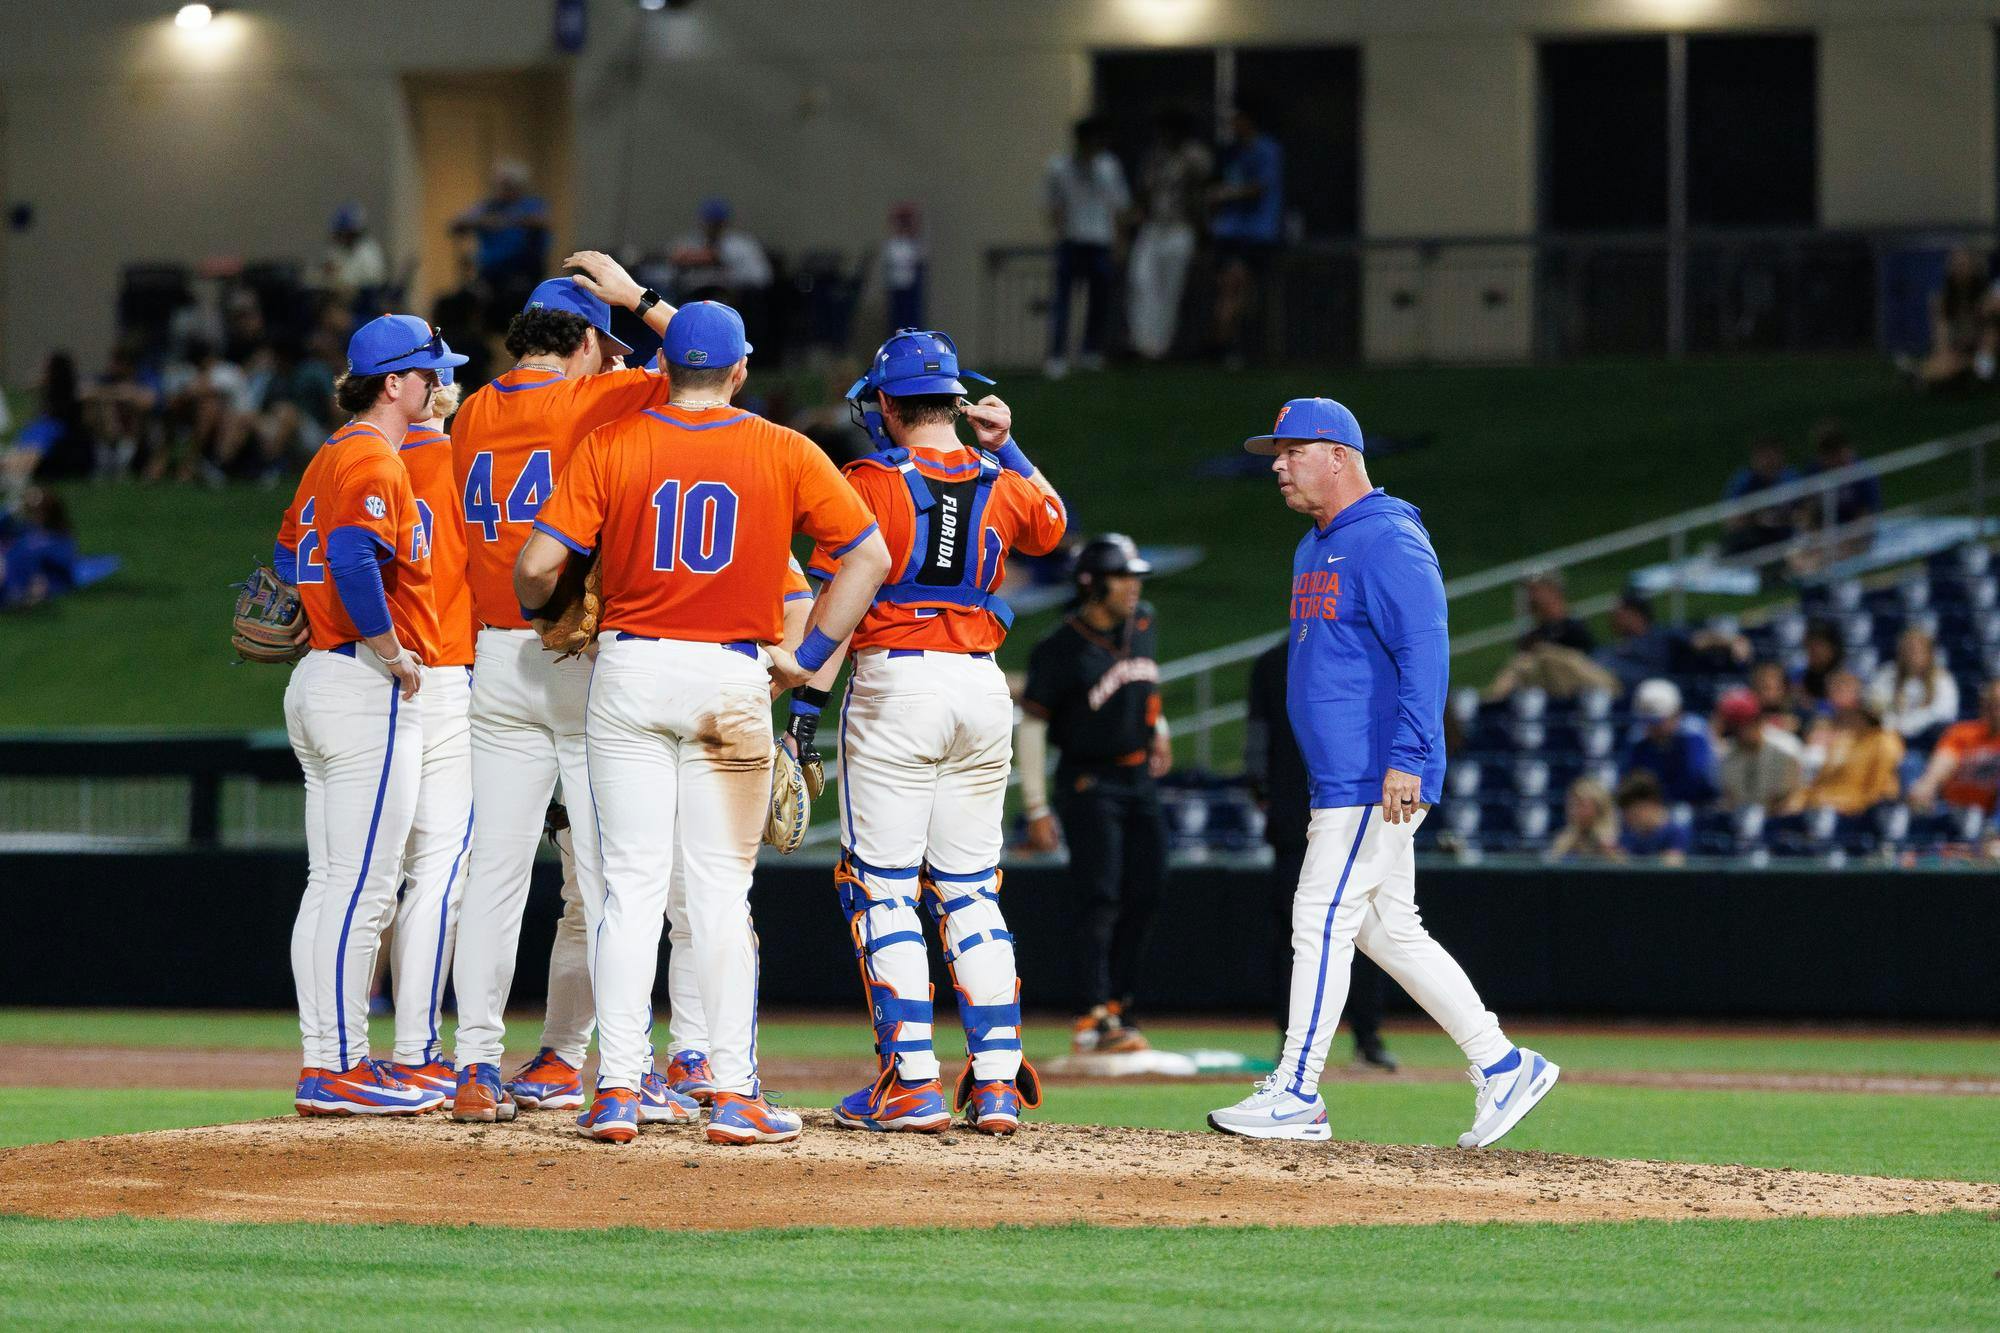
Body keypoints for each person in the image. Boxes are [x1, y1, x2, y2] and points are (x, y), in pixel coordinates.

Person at [517, 299, 890, 1145]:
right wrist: (811, 651)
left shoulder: (614, 443)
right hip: (729, 677)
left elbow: (537, 566)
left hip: (631, 670)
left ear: (666, 368)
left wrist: (549, 601)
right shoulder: (784, 448)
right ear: (739, 370)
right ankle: (730, 1094)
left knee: (630, 888)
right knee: (719, 895)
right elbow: (869, 555)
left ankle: (614, 1091)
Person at [1208, 397, 1558, 1148]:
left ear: (1337, 456)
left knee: (1318, 916)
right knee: (1388, 930)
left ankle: (1298, 1090)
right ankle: (1503, 1065)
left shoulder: (1389, 537)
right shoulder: (1316, 543)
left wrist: (1407, 755)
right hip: (1342, 774)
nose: (1276, 462)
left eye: (1291, 449)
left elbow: (1428, 652)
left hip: (1373, 773)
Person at [801, 328, 1066, 1136]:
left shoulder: (867, 479)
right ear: (957, 402)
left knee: (879, 886)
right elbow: (1051, 524)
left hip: (897, 682)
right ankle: (992, 1082)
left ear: (885, 403)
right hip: (982, 689)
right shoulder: (1001, 478)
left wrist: (804, 713)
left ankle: (911, 1081)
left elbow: (834, 600)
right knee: (970, 890)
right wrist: (1009, 446)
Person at [445, 253, 677, 1124]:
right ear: (583, 338)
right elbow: (705, 360)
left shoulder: (469, 413)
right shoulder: (595, 399)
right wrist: (638, 300)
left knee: (495, 875)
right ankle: (624, 1071)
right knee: (618, 875)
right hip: (579, 660)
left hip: (493, 660)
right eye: (601, 343)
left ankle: (474, 1067)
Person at [279, 314, 465, 1116]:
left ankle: (329, 1057)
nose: (438, 385)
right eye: (428, 373)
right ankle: (344, 1062)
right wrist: (390, 648)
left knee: (331, 884)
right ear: (395, 383)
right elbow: (353, 555)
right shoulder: (378, 457)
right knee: (365, 888)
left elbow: (292, 554)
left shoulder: (330, 454)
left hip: (318, 678)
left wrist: (322, 609)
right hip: (361, 684)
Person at [1019, 535, 1172, 1057]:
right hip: (1088, 782)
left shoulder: (1143, 621)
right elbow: (1034, 725)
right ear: (1092, 582)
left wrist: (1162, 727)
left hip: (1139, 780)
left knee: (1147, 890)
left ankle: (1122, 1006)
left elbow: (1144, 683)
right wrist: (1036, 805)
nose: (1134, 585)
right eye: (1122, 575)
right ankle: (1093, 1012)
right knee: (1100, 897)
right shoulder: (1060, 648)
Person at [370, 356, 475, 1103]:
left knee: (362, 879)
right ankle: (415, 1049)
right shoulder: (465, 462)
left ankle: (339, 1052)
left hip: (363, 671)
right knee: (440, 868)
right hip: (440, 675)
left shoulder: (355, 461)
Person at [1247, 639, 1398, 1067]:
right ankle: (1366, 1040)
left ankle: (1295, 1046)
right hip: (1350, 812)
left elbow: (1256, 748)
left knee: (1300, 936)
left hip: (1302, 816)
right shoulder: (1356, 653)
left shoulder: (1274, 660)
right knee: (1366, 929)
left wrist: (1262, 789)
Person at [1042, 116, 1130, 378]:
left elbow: (1119, 206)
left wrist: (1119, 241)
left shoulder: (1109, 167)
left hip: (1100, 241)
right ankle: (1057, 355)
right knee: (1063, 300)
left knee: (1098, 301)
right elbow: (1053, 206)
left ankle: (1090, 351)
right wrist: (1059, 234)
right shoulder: (1059, 166)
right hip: (1072, 241)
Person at [1126, 108, 1211, 361]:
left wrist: (1201, 232)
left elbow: (1200, 195)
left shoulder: (1195, 156)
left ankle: (1159, 347)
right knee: (1140, 281)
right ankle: (1143, 343)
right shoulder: (1155, 156)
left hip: (1180, 226)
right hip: (1154, 226)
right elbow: (1144, 191)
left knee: (1169, 289)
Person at [1207, 103, 1284, 367]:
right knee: (1229, 290)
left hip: (1255, 233)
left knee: (1239, 291)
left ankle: (1228, 346)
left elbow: (1259, 188)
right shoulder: (1232, 153)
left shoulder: (1266, 150)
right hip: (1230, 232)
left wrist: (1226, 193)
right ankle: (1224, 347)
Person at [1481, 571, 1617, 701]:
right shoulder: (1530, 636)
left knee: (1544, 656)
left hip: (1584, 690)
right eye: (1530, 591)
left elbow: (1586, 665)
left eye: (1536, 590)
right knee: (1521, 663)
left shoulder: (1574, 627)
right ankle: (1489, 706)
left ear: (1554, 591)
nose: (1531, 597)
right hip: (1543, 693)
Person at [1785, 670, 1903, 815]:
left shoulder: (1885, 741)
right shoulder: (1843, 740)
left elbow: (1876, 795)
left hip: (1854, 818)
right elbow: (1819, 783)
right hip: (1823, 806)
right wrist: (1801, 800)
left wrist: (1830, 801)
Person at [452, 160, 550, 307]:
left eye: (508, 185)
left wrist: (511, 221)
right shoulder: (489, 207)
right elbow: (458, 224)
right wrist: (485, 222)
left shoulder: (531, 205)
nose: (503, 190)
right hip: (489, 273)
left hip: (521, 272)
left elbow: (542, 222)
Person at [1622, 678, 1720, 805]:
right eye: (1648, 722)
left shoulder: (1694, 734)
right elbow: (1630, 781)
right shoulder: (1637, 740)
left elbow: (1701, 779)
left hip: (1698, 804)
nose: (1654, 727)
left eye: (1659, 721)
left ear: (1677, 713)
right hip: (1654, 807)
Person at [1909, 679, 2000, 814]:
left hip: (1992, 815)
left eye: (1998, 705)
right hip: (1953, 811)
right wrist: (1928, 784)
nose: (1993, 710)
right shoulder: (1962, 732)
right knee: (1911, 763)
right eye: (1989, 703)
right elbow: (1944, 761)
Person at [1714, 686, 1805, 812]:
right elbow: (1730, 799)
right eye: (1735, 726)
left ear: (1758, 720)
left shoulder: (1786, 747)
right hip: (1742, 820)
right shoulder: (1726, 755)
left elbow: (1796, 797)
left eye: (1745, 724)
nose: (1740, 731)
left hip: (1782, 822)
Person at [669, 196, 774, 302]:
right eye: (709, 222)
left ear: (725, 222)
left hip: (734, 298)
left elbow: (762, 277)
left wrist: (725, 263)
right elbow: (665, 275)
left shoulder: (742, 245)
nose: (713, 226)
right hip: (693, 298)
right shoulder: (688, 243)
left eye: (717, 223)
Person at [1869, 626, 1960, 744]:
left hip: (1928, 741)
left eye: (1919, 650)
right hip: (1890, 737)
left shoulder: (1943, 680)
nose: (1913, 655)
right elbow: (1874, 704)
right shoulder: (1887, 674)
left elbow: (1945, 714)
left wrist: (1909, 725)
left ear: (1930, 653)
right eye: (1908, 650)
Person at [1721, 438, 1798, 557]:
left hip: (1787, 534)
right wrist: (1757, 518)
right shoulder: (1744, 480)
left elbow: (1804, 510)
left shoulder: (1790, 477)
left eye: (1772, 455)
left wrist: (1781, 518)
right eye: (1763, 456)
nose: (1768, 461)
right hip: (1755, 537)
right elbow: (1731, 520)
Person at [321, 203, 389, 314]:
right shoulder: (337, 250)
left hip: (363, 304)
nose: (342, 236)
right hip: (339, 300)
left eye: (346, 232)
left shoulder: (368, 251)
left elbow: (373, 283)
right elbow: (329, 275)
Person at [1614, 772, 1689, 865]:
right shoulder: (1626, 832)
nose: (1628, 819)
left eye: (1633, 814)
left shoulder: (1676, 832)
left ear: (1651, 804)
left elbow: (1674, 865)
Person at [1546, 776, 1620, 862]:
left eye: (1581, 805)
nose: (1574, 811)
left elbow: (1623, 868)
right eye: (1572, 805)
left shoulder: (1616, 838)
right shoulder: (1564, 840)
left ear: (1599, 807)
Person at [881, 202, 927, 333]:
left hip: (911, 291)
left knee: (912, 323)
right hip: (896, 289)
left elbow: (920, 259)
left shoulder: (915, 245)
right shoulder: (892, 244)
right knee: (897, 323)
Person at [1796, 619, 1845, 713]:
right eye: (1810, 647)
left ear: (1833, 648)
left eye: (1820, 646)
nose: (1815, 651)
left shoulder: (1848, 679)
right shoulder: (1798, 679)